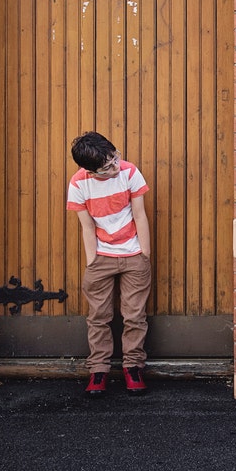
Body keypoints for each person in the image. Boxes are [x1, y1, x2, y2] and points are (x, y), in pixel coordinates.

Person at [66, 131, 153, 397]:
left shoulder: (129, 172)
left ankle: (133, 367)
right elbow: (87, 226)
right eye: (107, 167)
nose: (116, 166)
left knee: (135, 316)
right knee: (98, 317)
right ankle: (99, 370)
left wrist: (144, 254)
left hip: (134, 254)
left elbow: (139, 213)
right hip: (101, 258)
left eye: (115, 157)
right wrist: (92, 261)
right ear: (90, 171)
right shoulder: (79, 184)